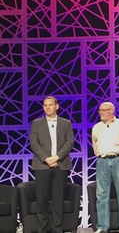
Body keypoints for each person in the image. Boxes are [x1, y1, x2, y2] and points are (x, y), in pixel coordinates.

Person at [30, 96, 74, 233]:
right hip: (42, 166)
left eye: (50, 105)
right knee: (42, 200)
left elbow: (69, 142)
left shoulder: (65, 123)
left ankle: (57, 229)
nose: (47, 107)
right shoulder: (36, 123)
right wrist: (47, 159)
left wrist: (57, 157)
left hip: (61, 165)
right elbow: (34, 143)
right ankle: (42, 229)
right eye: (45, 105)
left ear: (57, 106)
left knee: (58, 199)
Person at [91, 102, 119, 233]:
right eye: (99, 110)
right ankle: (102, 226)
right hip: (102, 161)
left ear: (111, 111)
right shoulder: (96, 127)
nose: (101, 112)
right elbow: (95, 145)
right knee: (101, 195)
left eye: (103, 110)